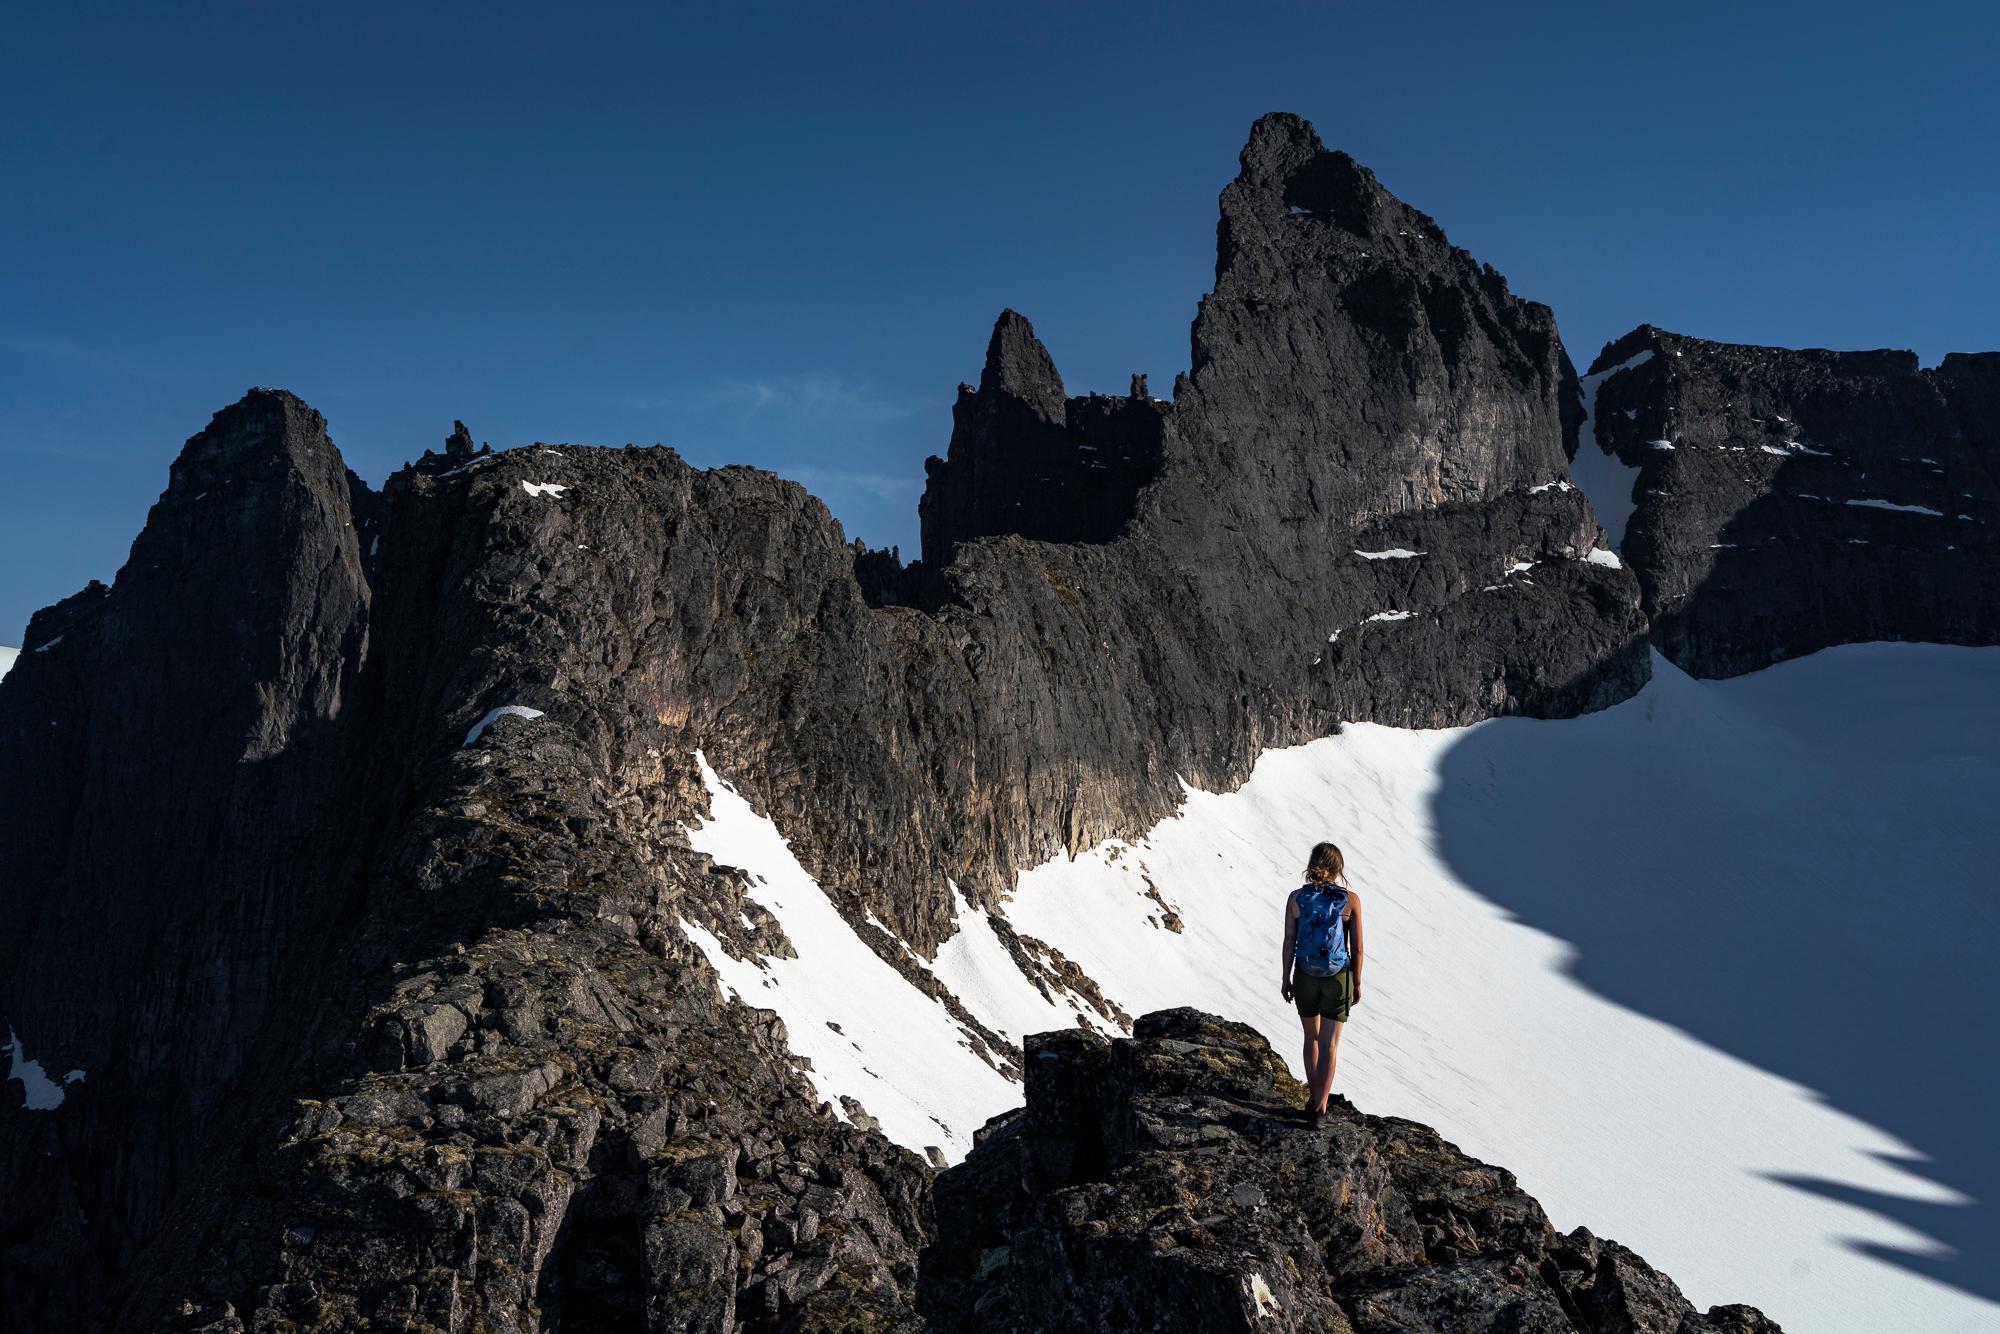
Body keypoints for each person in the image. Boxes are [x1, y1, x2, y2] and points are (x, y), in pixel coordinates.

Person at [1279, 841, 1364, 1121]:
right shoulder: (1350, 900)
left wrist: (1286, 978)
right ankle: (1320, 1107)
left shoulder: (1295, 898)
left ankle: (1313, 1096)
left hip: (1304, 974)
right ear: (1337, 869)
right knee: (1330, 1044)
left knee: (1311, 1037)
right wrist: (1358, 983)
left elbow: (1289, 941)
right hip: (1337, 977)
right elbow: (1359, 948)